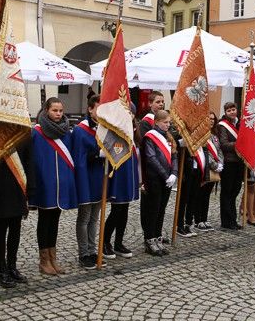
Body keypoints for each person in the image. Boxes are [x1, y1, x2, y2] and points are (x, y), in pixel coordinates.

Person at [30, 97, 76, 276]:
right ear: (46, 110)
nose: (58, 114)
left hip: (61, 184)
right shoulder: (36, 133)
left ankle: (52, 258)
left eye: (60, 111)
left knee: (55, 221)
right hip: (44, 184)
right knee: (44, 221)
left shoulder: (66, 132)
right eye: (54, 110)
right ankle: (44, 261)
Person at [0, 141, 35, 287]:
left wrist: (31, 187)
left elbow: (29, 160)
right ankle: (1, 270)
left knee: (16, 227)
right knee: (1, 228)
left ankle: (12, 267)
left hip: (18, 186)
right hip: (1, 187)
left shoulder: (23, 133)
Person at [72, 95, 106, 270]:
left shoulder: (104, 128)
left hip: (99, 177)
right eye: (98, 109)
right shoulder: (80, 130)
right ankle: (83, 253)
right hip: (86, 177)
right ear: (90, 109)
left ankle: (93, 251)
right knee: (84, 218)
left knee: (94, 218)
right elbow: (79, 158)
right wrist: (97, 154)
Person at [103, 106, 141, 259]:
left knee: (124, 210)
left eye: (131, 113)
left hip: (129, 174)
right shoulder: (116, 130)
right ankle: (105, 242)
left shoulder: (133, 130)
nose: (129, 115)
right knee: (116, 210)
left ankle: (118, 243)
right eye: (127, 112)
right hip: (119, 175)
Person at [141, 110, 178, 256]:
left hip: (167, 179)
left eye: (169, 122)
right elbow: (151, 158)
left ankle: (158, 237)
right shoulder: (150, 137)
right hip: (154, 178)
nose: (168, 125)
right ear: (157, 122)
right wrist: (165, 175)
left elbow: (174, 156)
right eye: (165, 122)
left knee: (161, 209)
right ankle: (149, 240)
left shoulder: (168, 136)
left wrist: (174, 173)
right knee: (153, 209)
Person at [192, 111, 223, 232]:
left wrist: (221, 163)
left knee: (206, 196)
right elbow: (205, 153)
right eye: (209, 119)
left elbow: (219, 151)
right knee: (200, 195)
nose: (211, 121)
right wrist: (214, 165)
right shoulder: (201, 135)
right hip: (205, 168)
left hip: (214, 170)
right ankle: (198, 220)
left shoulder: (214, 135)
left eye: (213, 119)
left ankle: (204, 219)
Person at [217, 102, 243, 230]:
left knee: (235, 191)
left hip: (239, 162)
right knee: (227, 192)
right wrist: (239, 143)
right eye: (229, 110)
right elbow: (223, 144)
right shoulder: (222, 126)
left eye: (233, 109)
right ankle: (227, 221)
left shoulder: (239, 124)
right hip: (229, 162)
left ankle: (232, 219)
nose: (232, 112)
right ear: (225, 112)